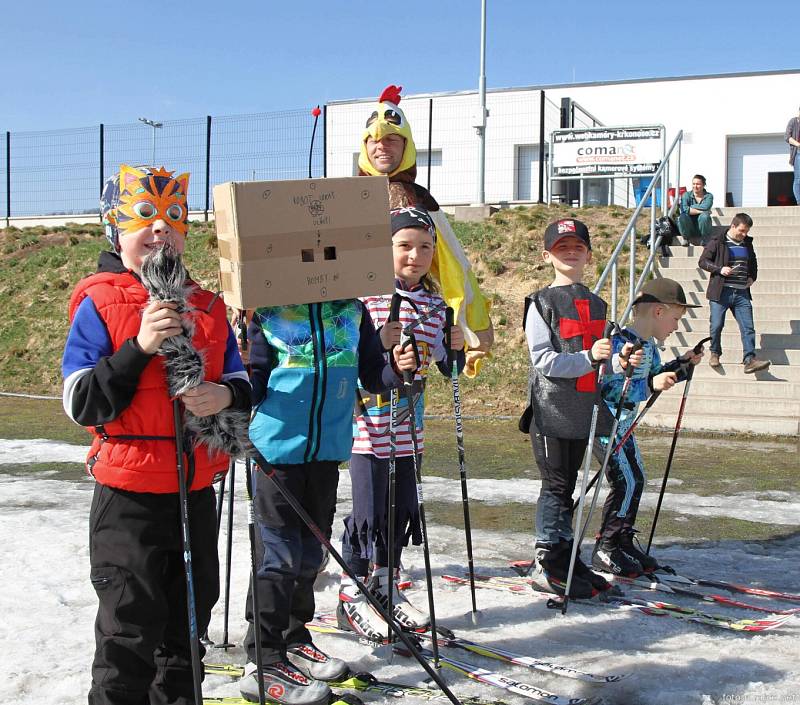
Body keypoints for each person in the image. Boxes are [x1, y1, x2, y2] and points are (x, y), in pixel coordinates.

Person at [62, 164, 251, 705]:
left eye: (173, 216)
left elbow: (239, 381)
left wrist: (226, 397)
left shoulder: (210, 307)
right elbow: (81, 402)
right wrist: (137, 347)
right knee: (128, 632)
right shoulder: (99, 301)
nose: (161, 228)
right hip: (129, 501)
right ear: (114, 229)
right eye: (144, 216)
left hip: (194, 496)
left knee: (186, 632)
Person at [241, 288, 416, 703]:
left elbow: (372, 375)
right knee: (277, 557)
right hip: (275, 451)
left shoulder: (351, 311)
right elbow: (252, 381)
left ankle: (294, 639)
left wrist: (395, 366)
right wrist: (235, 373)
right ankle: (262, 659)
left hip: (327, 449)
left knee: (310, 553)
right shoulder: (269, 309)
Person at [338, 206, 465, 639]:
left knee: (399, 509)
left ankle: (386, 584)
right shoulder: (362, 299)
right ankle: (350, 592)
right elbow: (348, 362)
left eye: (425, 247)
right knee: (369, 512)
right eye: (404, 246)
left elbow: (448, 369)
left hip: (410, 429)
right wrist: (380, 344)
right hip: (366, 428)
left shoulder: (434, 303)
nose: (416, 255)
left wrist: (456, 346)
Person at [357, 84, 493, 377]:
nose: (382, 146)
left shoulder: (419, 198)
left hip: (409, 308)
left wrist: (472, 319)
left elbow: (453, 262)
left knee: (403, 385)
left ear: (407, 146)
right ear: (364, 147)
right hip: (358, 313)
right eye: (375, 140)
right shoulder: (347, 199)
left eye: (393, 139)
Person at [518, 218, 616, 599]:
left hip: (585, 407)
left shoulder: (598, 303)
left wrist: (619, 362)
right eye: (562, 247)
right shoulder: (541, 303)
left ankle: (565, 554)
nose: (570, 251)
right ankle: (547, 559)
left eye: (577, 246)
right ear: (547, 255)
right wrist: (590, 356)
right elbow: (544, 360)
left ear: (589, 255)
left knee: (571, 484)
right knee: (556, 484)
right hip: (552, 409)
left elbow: (603, 359)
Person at [592, 278, 703, 577]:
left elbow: (655, 377)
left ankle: (623, 541)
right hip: (606, 426)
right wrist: (649, 385)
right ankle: (607, 547)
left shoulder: (651, 348)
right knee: (624, 482)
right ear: (657, 312)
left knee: (637, 479)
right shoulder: (620, 343)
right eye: (675, 319)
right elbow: (610, 389)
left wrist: (682, 365)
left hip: (625, 427)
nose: (676, 327)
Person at [698, 212, 770, 373]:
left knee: (748, 327)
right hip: (720, 292)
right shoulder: (717, 242)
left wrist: (752, 278)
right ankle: (715, 352)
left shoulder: (747, 244)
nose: (744, 235)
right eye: (742, 231)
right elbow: (702, 261)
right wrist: (719, 269)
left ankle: (750, 359)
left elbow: (753, 263)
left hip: (741, 293)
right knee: (716, 325)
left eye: (746, 232)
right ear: (733, 226)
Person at [677, 174, 713, 244]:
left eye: (698, 184)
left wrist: (691, 207)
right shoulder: (686, 195)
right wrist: (701, 211)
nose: (695, 186)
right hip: (688, 226)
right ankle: (686, 238)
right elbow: (685, 210)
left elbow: (706, 207)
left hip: (702, 226)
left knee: (705, 216)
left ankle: (705, 239)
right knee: (683, 216)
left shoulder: (709, 196)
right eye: (693, 184)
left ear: (703, 185)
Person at [785, 107, 800, 206]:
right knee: (798, 178)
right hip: (798, 153)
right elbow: (787, 137)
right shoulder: (793, 122)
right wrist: (798, 144)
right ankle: (799, 201)